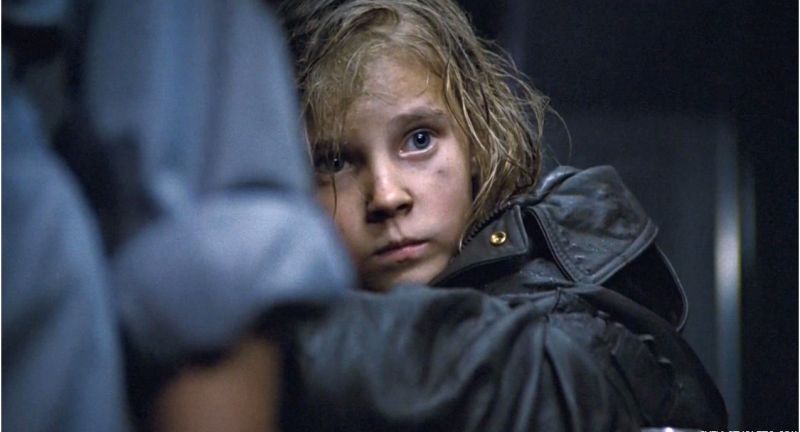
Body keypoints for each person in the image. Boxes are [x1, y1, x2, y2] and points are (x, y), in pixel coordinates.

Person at [273, 0, 727, 430]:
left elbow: (570, 382)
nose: (388, 196)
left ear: (473, 141)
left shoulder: (560, 298)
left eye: (419, 140)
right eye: (333, 162)